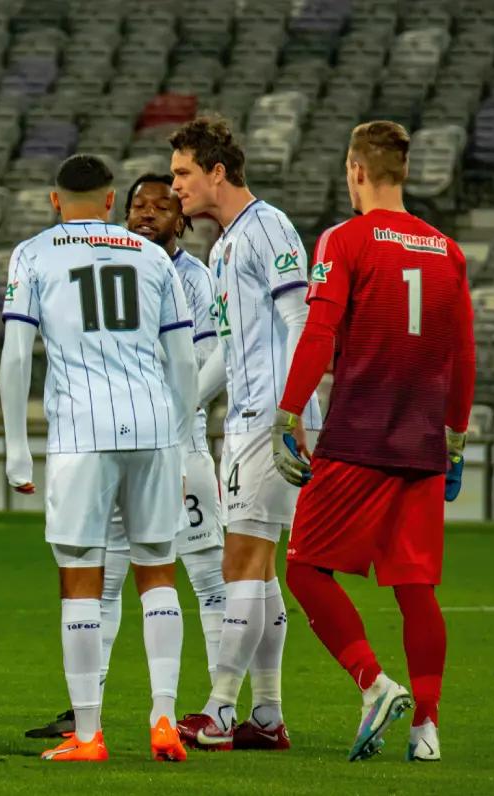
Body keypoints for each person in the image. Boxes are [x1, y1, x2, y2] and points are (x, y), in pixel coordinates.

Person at [275, 121, 475, 763]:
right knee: (417, 590)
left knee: (304, 568)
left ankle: (373, 683)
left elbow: (319, 332)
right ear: (405, 172)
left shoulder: (346, 238)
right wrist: (456, 438)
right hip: (421, 442)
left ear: (355, 170)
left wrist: (287, 415)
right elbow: (464, 356)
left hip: (359, 435)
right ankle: (427, 729)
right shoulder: (447, 251)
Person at [1, 155, 198, 763]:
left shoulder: (34, 254)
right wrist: (183, 436)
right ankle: (164, 719)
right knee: (158, 571)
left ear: (55, 201)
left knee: (83, 578)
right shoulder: (153, 257)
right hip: (154, 427)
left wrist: (16, 448)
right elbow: (184, 361)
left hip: (81, 433)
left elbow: (14, 356)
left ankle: (88, 733)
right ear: (112, 201)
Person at [168, 116, 322, 751]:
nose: (176, 187)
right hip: (250, 420)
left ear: (217, 172)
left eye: (182, 173)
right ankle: (266, 714)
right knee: (258, 572)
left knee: (242, 560)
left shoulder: (269, 227)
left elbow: (301, 322)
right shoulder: (225, 244)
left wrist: (294, 414)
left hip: (271, 420)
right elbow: (230, 354)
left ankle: (219, 710)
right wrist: (182, 405)